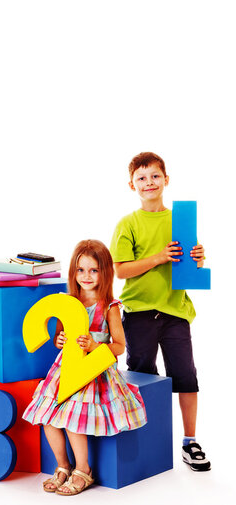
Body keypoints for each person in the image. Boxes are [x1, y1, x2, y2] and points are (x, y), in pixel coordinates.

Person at [110, 151, 210, 471]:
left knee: (185, 376)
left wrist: (198, 258)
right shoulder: (128, 223)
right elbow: (121, 271)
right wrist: (157, 258)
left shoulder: (179, 220)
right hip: (139, 312)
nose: (149, 182)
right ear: (131, 185)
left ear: (166, 180)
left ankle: (190, 441)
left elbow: (192, 269)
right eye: (142, 178)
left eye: (155, 176)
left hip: (175, 312)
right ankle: (148, 437)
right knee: (142, 377)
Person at [23, 240, 146, 495]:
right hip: (66, 367)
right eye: (81, 270)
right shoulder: (67, 302)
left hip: (94, 370)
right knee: (48, 417)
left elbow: (120, 346)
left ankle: (83, 469)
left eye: (93, 270)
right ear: (73, 272)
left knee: (71, 418)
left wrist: (94, 345)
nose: (86, 276)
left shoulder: (109, 306)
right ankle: (63, 466)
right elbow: (60, 337)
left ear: (105, 272)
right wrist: (60, 340)